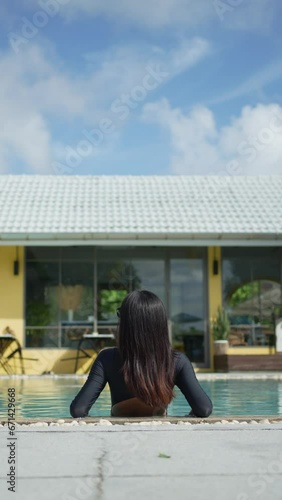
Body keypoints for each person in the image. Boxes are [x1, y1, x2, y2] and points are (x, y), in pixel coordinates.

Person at [70, 290, 212, 418]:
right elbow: (204, 409)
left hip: (120, 435)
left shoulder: (107, 358)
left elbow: (78, 410)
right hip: (160, 435)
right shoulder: (177, 361)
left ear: (126, 324)